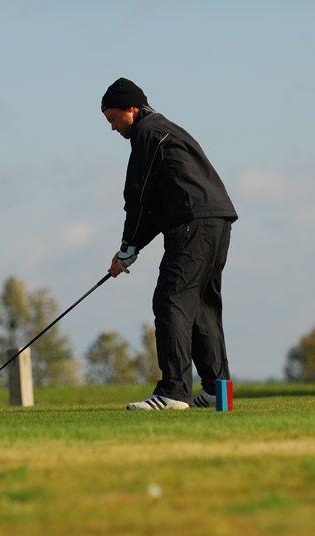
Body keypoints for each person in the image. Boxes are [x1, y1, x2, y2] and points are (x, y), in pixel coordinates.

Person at [101, 78, 238, 410]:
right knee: (202, 305)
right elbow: (154, 207)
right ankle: (219, 393)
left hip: (193, 221)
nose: (113, 127)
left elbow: (138, 197)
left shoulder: (147, 133)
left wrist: (128, 247)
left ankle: (174, 393)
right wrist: (130, 249)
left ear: (131, 109)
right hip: (216, 219)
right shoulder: (165, 128)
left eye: (114, 119)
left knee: (171, 301)